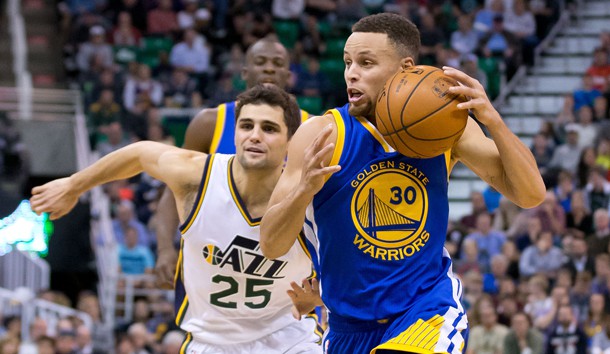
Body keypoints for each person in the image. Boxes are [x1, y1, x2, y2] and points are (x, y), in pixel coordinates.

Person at [260, 12, 545, 353]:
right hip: (346, 327)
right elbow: (271, 244)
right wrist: (304, 188)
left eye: (366, 63)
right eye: (348, 62)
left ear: (405, 68)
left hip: (425, 311)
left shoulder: (445, 128)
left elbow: (530, 195)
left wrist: (493, 120)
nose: (352, 73)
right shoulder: (322, 134)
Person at [30, 85, 322, 353]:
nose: (255, 135)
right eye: (246, 125)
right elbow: (140, 154)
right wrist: (73, 185)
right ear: (235, 133)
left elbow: (357, 258)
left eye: (269, 128)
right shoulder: (199, 176)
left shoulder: (309, 192)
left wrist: (322, 294)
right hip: (212, 341)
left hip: (288, 337)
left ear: (290, 141)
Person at [154, 37, 309, 289]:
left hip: (282, 265)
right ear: (245, 73)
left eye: (277, 63)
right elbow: (175, 188)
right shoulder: (209, 123)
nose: (269, 68)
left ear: (288, 75)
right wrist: (163, 249)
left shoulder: (310, 128)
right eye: (260, 62)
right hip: (215, 261)